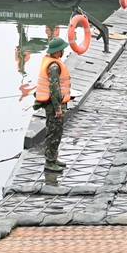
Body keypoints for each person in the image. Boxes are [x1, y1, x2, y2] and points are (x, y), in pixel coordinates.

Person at [34, 37, 71, 172]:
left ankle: (53, 158)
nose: (63, 51)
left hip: (53, 104)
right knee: (53, 134)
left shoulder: (52, 62)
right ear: (57, 51)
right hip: (54, 106)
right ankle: (49, 162)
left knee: (56, 133)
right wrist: (58, 109)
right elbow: (54, 89)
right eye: (62, 49)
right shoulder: (54, 66)